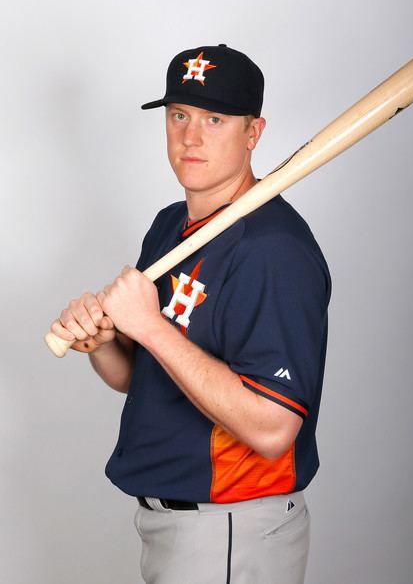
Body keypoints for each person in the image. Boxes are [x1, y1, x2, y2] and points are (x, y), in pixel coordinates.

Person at [50, 44, 331, 584]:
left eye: (215, 119)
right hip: (174, 526)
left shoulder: (273, 249)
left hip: (231, 527)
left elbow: (274, 430)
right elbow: (142, 377)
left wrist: (148, 325)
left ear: (253, 132)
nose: (191, 136)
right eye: (179, 115)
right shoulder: (169, 225)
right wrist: (104, 340)